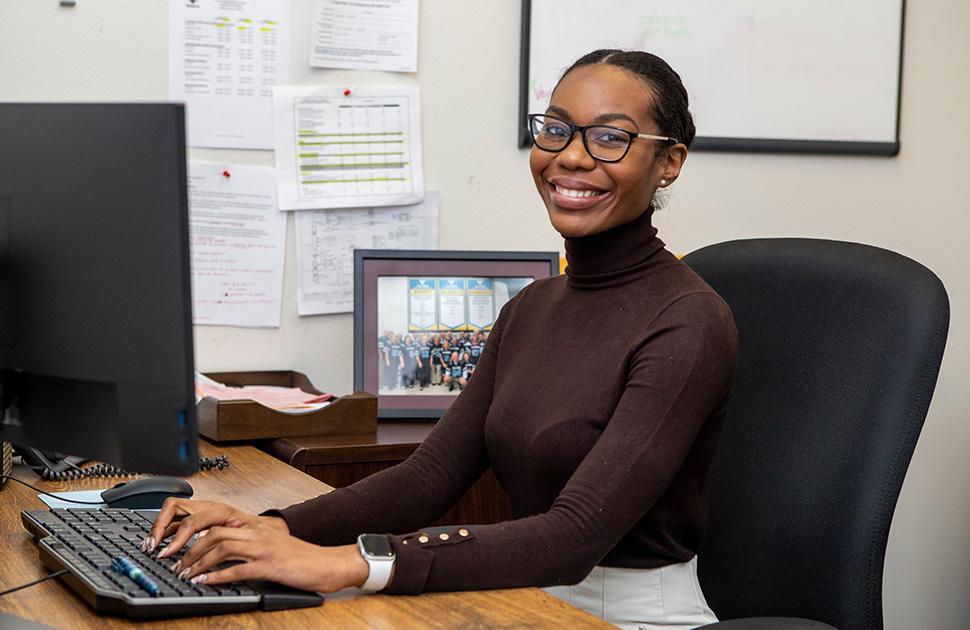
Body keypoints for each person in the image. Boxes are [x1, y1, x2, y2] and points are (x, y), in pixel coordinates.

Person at [144, 49, 737, 630]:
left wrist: (345, 563)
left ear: (670, 161)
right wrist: (272, 527)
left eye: (611, 138)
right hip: (525, 598)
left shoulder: (689, 321)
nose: (571, 157)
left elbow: (571, 538)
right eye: (556, 130)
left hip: (626, 615)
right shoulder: (532, 306)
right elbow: (427, 477)